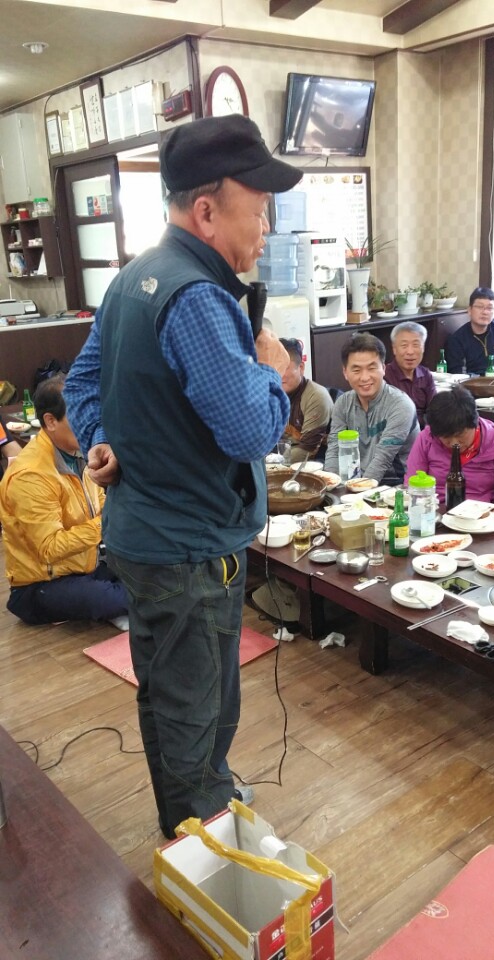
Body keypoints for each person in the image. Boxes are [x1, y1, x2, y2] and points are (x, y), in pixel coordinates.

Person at [63, 114, 300, 838]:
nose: (266, 228)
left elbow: (81, 383)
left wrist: (99, 441)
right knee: (198, 700)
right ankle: (200, 832)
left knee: (173, 689)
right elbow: (250, 432)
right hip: (187, 548)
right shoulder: (197, 297)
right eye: (258, 210)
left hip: (148, 534)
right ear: (207, 210)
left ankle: (197, 800)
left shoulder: (135, 277)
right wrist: (277, 374)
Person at [0, 377, 129, 626]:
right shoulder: (31, 475)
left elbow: (103, 506)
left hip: (87, 565)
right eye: (80, 414)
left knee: (150, 573)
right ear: (50, 421)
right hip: (40, 584)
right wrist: (106, 523)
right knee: (112, 597)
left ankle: (139, 602)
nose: (91, 423)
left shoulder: (81, 452)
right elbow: (50, 548)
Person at [406, 385, 494, 510]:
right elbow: (413, 481)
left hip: (481, 514)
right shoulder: (427, 438)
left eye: (460, 436)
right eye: (446, 438)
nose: (454, 443)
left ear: (475, 423)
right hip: (433, 511)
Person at [325, 332, 419, 484]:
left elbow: (383, 459)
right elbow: (334, 448)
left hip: (395, 484)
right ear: (345, 372)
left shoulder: (401, 405)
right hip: (355, 481)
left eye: (371, 368)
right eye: (356, 370)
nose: (364, 377)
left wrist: (358, 490)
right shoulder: (342, 403)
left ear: (383, 368)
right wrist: (330, 484)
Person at [278, 337, 334, 462]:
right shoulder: (271, 393)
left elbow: (306, 450)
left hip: (317, 462)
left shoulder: (316, 396)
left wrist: (273, 466)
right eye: (275, 367)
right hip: (285, 457)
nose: (278, 374)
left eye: (284, 367)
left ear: (301, 367)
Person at [384, 321, 436, 427]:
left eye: (416, 345)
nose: (410, 352)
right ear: (394, 349)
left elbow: (435, 410)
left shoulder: (425, 374)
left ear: (423, 348)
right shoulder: (385, 376)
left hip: (425, 432)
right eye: (404, 345)